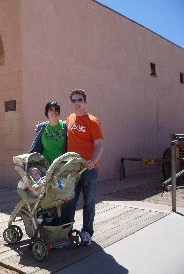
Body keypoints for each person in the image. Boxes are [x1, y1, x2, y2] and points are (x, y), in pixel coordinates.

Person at [61, 89, 104, 246]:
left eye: (79, 100)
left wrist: (93, 160)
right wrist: (42, 126)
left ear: (85, 102)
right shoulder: (70, 119)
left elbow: (99, 144)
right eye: (73, 100)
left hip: (89, 169)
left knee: (89, 201)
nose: (76, 103)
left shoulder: (93, 121)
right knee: (69, 200)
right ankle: (67, 232)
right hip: (72, 169)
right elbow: (59, 127)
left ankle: (87, 232)